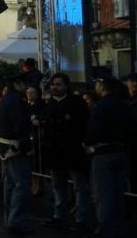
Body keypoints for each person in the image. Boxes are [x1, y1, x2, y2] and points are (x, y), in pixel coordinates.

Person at [85, 77, 137, 238]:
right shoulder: (125, 106)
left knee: (103, 194)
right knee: (117, 193)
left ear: (102, 87)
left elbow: (93, 132)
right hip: (121, 152)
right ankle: (117, 226)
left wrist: (87, 143)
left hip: (103, 153)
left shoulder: (101, 107)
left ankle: (105, 228)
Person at [40, 72, 90, 231]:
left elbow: (84, 126)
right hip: (55, 152)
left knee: (79, 187)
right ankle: (59, 215)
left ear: (66, 86)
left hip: (74, 151)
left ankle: (81, 219)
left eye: (58, 84)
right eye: (53, 85)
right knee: (58, 186)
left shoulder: (76, 102)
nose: (55, 87)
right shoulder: (50, 104)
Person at [0, 74, 34, 235]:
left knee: (10, 185)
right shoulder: (18, 101)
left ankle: (10, 219)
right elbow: (21, 125)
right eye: (24, 84)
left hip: (4, 145)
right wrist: (26, 146)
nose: (26, 88)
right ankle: (16, 222)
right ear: (17, 84)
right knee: (21, 185)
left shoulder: (5, 99)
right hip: (15, 147)